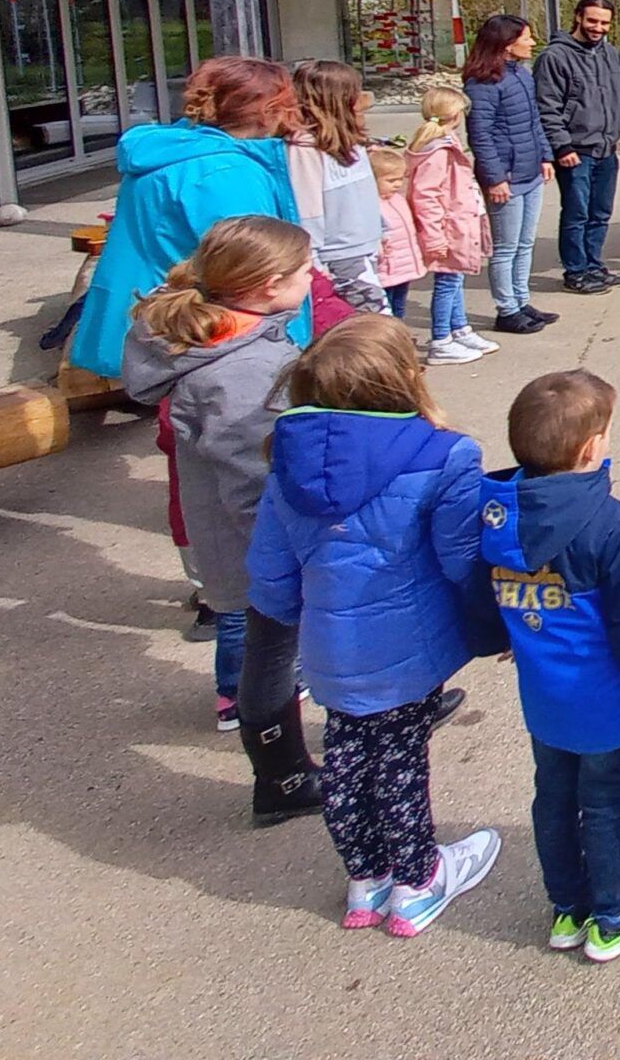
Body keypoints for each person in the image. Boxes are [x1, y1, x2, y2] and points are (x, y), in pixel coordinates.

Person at [248, 318, 496, 934]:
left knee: (346, 757)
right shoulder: (444, 454)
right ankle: (417, 882)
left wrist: (291, 614)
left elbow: (272, 567)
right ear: (404, 379)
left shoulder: (287, 460)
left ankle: (366, 878)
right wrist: (491, 618)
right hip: (408, 645)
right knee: (399, 759)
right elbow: (461, 557)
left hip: (328, 648)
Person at [479, 370, 620, 963]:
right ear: (589, 449)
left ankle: (567, 907)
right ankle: (613, 912)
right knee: (602, 802)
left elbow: (482, 591)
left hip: (543, 699)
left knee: (552, 798)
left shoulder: (497, 517)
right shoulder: (616, 525)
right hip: (602, 703)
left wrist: (507, 629)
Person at [122, 217, 315, 762]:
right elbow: (250, 476)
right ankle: (259, 728)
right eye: (305, 270)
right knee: (258, 632)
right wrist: (288, 549)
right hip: (251, 539)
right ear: (269, 285)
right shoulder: (245, 371)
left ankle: (248, 698)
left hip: (227, 531)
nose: (313, 276)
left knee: (246, 620)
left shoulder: (227, 335)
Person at [73, 56, 310, 381]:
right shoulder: (224, 171)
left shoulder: (173, 149)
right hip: (196, 334)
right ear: (267, 111)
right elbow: (253, 265)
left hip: (146, 316)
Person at [536, 0, 620, 293]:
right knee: (577, 213)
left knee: (600, 212)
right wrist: (562, 146)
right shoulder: (555, 57)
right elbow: (547, 108)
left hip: (606, 148)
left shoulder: (610, 54)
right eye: (592, 21)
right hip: (576, 151)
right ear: (578, 17)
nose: (598, 28)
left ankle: (594, 266)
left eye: (604, 23)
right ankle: (576, 271)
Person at [463, 14, 560, 335]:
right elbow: (480, 135)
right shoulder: (483, 84)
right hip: (506, 177)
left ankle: (521, 300)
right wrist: (495, 178)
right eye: (526, 37)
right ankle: (506, 309)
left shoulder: (521, 74)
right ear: (506, 44)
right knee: (506, 247)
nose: (532, 42)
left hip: (530, 171)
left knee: (525, 243)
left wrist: (545, 155)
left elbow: (534, 121)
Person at [407, 88, 497, 365]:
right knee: (447, 282)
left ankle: (459, 329)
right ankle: (441, 340)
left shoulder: (446, 143)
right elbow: (425, 195)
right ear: (455, 114)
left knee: (456, 279)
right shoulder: (438, 151)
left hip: (458, 222)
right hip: (449, 227)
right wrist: (434, 236)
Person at [290, 60, 387, 316]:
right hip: (338, 258)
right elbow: (308, 211)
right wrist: (314, 263)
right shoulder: (305, 149)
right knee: (374, 329)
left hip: (363, 249)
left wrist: (380, 233)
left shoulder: (353, 143)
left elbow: (365, 196)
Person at [369, 148, 424, 321]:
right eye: (391, 180)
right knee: (385, 308)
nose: (397, 184)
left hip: (403, 266)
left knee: (399, 306)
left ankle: (399, 330)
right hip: (386, 267)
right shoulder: (371, 204)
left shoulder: (398, 200)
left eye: (400, 179)